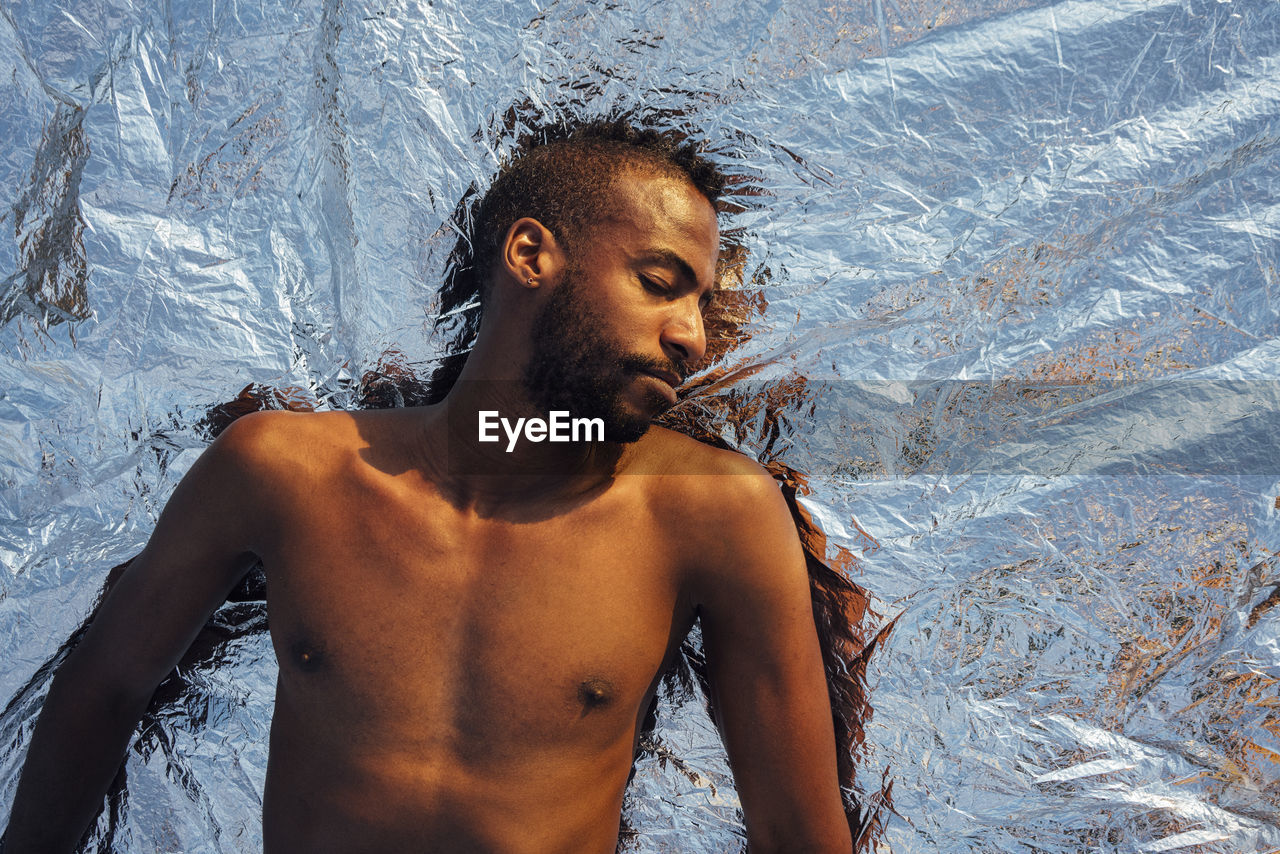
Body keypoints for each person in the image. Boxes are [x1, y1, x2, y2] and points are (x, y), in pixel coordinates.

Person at [3, 119, 857, 853]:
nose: (691, 336)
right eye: (660, 283)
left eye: (703, 304)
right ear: (531, 256)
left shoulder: (715, 513)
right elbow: (104, 687)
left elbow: (797, 837)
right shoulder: (283, 471)